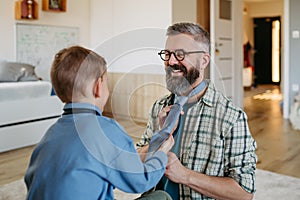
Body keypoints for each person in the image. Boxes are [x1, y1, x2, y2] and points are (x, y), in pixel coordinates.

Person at [24, 46, 175, 200]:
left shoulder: (50, 134)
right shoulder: (106, 130)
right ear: (98, 87)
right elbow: (141, 181)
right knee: (161, 197)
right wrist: (162, 153)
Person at [136, 22, 257, 200]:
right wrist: (159, 137)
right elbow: (135, 161)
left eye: (180, 54)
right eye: (167, 54)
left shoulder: (231, 118)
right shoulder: (159, 107)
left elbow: (244, 193)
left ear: (204, 60)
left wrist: (185, 176)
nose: (170, 61)